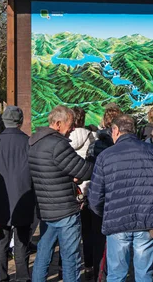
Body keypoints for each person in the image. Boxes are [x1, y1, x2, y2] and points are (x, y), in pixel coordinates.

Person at [88, 115, 153, 282]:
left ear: (115, 131)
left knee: (116, 274)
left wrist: (106, 213)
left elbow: (94, 197)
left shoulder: (105, 156)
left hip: (117, 222)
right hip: (147, 219)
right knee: (144, 274)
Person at [29, 105, 94, 282]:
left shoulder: (34, 142)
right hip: (64, 209)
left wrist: (68, 176)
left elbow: (49, 171)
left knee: (43, 254)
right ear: (58, 123)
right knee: (71, 258)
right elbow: (85, 170)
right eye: (70, 124)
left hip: (45, 208)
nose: (73, 128)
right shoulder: (58, 145)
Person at [0, 106, 35, 282]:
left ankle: (0, 277)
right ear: (20, 121)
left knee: (1, 241)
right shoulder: (29, 143)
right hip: (24, 197)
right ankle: (22, 277)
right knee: (21, 243)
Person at [86, 105, 123, 281]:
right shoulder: (122, 145)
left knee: (98, 238)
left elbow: (91, 169)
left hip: (100, 194)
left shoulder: (95, 145)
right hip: (118, 195)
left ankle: (98, 273)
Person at [69, 106, 97, 279]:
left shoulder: (65, 137)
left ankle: (66, 267)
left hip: (70, 188)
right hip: (86, 188)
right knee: (87, 231)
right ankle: (89, 265)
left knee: (69, 231)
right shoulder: (91, 136)